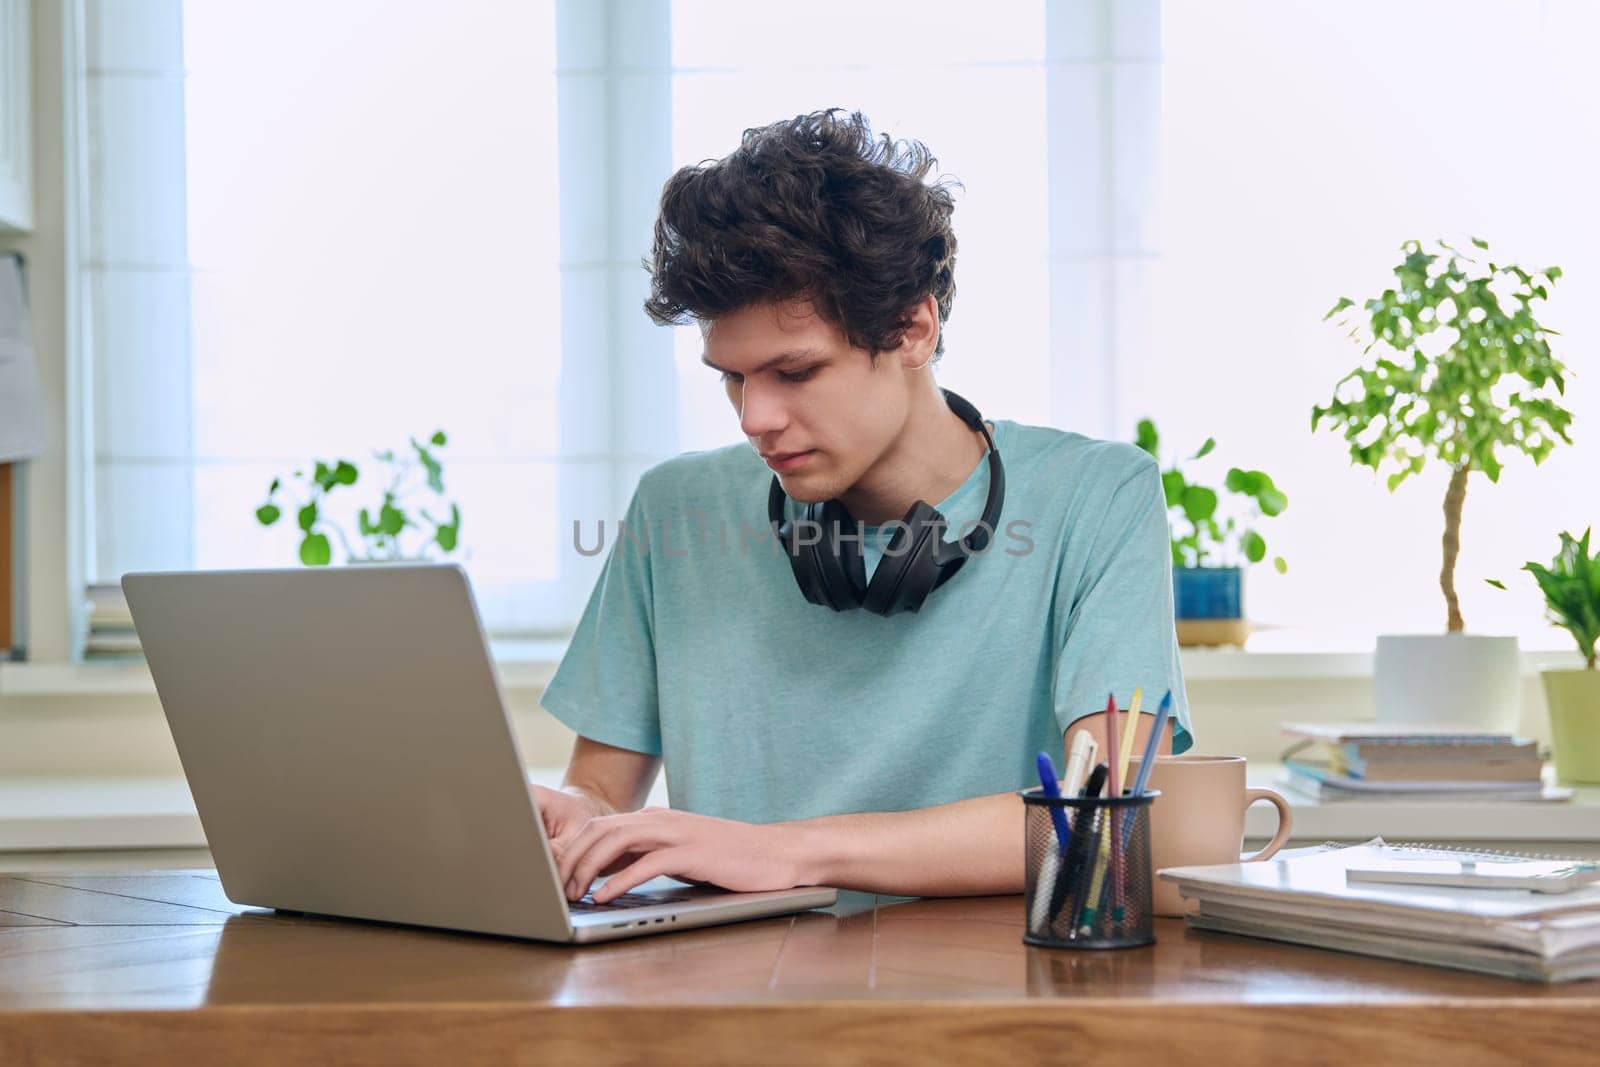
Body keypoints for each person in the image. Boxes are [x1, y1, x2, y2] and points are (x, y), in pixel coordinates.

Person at [535, 109, 1191, 905]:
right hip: (728, 988)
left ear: (912, 327)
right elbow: (601, 789)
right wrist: (577, 818)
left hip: (993, 990)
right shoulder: (674, 507)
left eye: (796, 372)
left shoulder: (1099, 497)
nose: (755, 419)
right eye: (732, 377)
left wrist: (791, 851)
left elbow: (1099, 816)